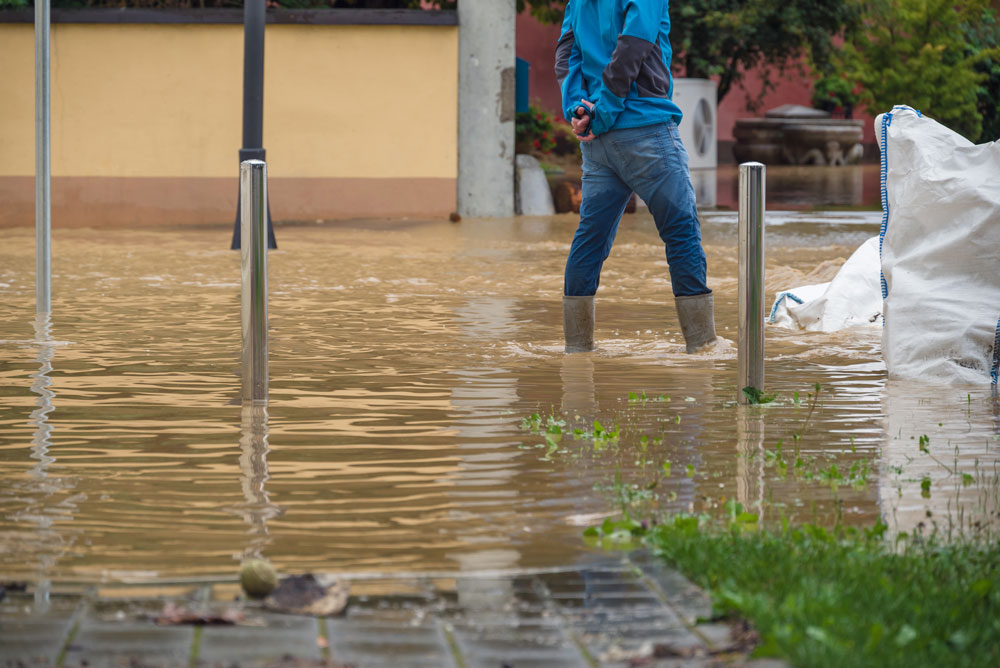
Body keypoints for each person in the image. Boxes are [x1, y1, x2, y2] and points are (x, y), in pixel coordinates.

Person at [554, 0, 716, 353]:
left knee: (591, 238)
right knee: (681, 232)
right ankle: (703, 348)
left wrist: (578, 108)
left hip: (597, 142)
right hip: (644, 130)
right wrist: (605, 112)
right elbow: (635, 45)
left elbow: (567, 54)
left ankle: (577, 351)